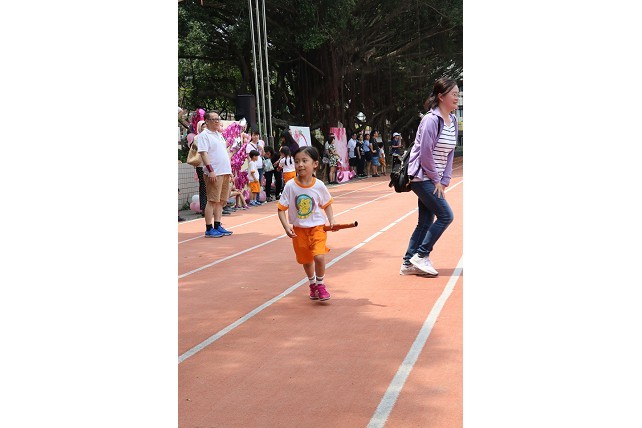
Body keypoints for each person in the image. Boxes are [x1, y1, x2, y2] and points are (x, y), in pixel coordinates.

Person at [400, 77, 459, 276]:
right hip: (422, 177)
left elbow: (450, 152)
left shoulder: (452, 121)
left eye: (458, 94)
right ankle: (421, 255)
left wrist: (445, 180)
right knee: (446, 215)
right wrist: (436, 180)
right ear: (441, 96)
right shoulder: (431, 120)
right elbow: (425, 154)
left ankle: (408, 263)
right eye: (453, 94)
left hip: (435, 179)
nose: (457, 98)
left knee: (425, 221)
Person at [277, 146, 335, 301]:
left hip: (317, 228)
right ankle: (312, 284)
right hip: (299, 231)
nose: (300, 165)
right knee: (307, 261)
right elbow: (281, 209)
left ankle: (321, 285)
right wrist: (286, 227)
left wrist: (332, 220)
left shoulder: (319, 185)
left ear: (315, 164)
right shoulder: (290, 186)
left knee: (319, 257)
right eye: (296, 161)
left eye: (304, 161)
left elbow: (327, 204)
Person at [197, 111, 234, 238]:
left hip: (224, 171)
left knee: (221, 201)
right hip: (215, 172)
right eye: (214, 119)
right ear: (207, 121)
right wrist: (211, 170)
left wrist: (230, 171)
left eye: (218, 119)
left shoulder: (219, 135)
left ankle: (217, 225)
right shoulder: (204, 135)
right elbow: (203, 153)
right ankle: (209, 228)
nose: (217, 121)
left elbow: (224, 153)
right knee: (212, 200)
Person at [191, 120, 208, 215]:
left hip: (209, 164)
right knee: (203, 186)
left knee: (209, 187)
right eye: (203, 126)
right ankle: (204, 208)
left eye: (205, 126)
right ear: (199, 128)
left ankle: (210, 208)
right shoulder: (197, 138)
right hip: (201, 165)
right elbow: (196, 150)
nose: (204, 128)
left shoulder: (209, 136)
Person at [246, 130, 265, 204]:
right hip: (254, 166)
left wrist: (262, 149)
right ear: (251, 136)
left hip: (260, 166)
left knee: (258, 184)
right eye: (254, 135)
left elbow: (263, 155)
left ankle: (257, 199)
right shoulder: (249, 145)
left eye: (257, 135)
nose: (256, 137)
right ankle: (253, 200)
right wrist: (251, 164)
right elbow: (248, 156)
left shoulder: (260, 143)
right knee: (253, 186)